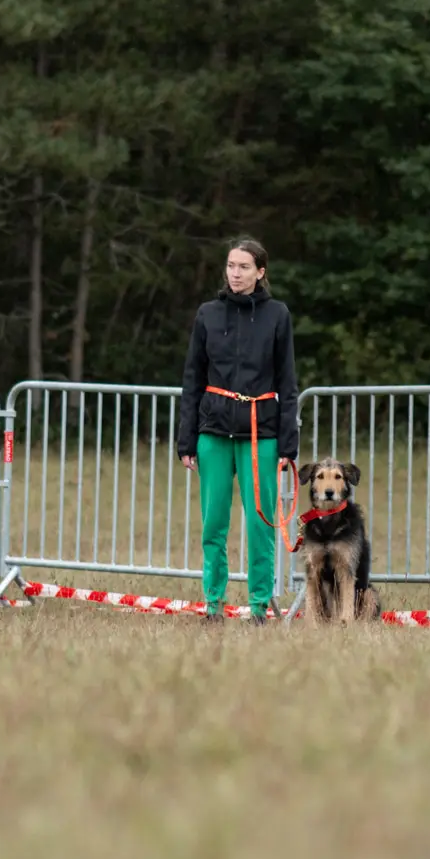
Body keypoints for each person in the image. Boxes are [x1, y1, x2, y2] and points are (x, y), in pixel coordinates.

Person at [176, 238, 299, 625]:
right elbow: (192, 379)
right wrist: (186, 439)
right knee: (213, 524)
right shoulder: (207, 314)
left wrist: (287, 444)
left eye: (244, 266)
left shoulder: (277, 315)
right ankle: (213, 604)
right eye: (231, 265)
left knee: (261, 525)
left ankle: (259, 605)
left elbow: (287, 381)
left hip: (260, 433)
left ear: (260, 272)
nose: (236, 273)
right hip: (213, 432)